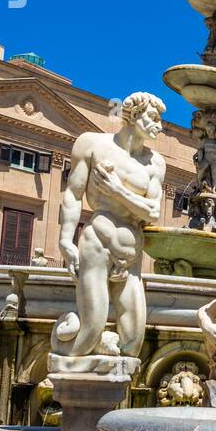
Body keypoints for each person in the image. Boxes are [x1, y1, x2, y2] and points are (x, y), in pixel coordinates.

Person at [52, 91, 166, 358]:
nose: (159, 126)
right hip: (98, 242)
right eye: (153, 118)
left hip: (132, 255)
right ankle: (66, 360)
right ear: (134, 116)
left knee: (133, 339)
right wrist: (65, 241)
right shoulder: (90, 144)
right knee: (91, 328)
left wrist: (117, 191)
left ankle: (107, 369)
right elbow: (73, 194)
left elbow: (152, 211)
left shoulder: (155, 164)